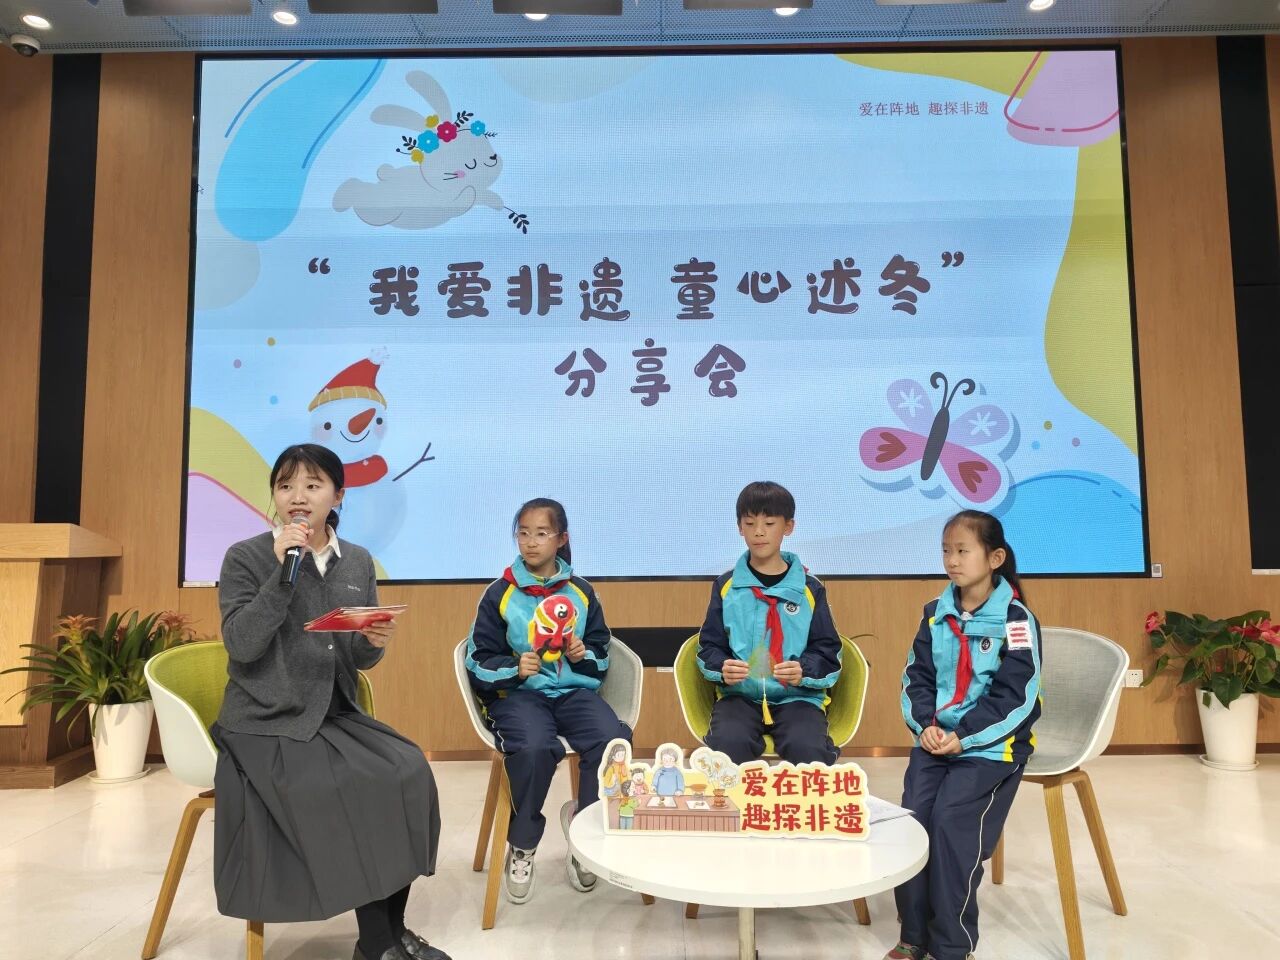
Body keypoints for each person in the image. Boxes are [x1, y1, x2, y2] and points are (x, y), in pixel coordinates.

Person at [211, 443, 447, 960]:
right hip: (264, 721)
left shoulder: (356, 560)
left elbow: (355, 658)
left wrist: (372, 641)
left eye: (313, 485)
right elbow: (242, 645)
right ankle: (379, 945)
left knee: (407, 769)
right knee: (351, 784)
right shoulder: (246, 557)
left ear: (338, 495)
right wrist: (282, 575)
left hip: (333, 713)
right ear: (274, 496)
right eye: (286, 486)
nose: (297, 497)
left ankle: (391, 931)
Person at [884, 510, 1042, 960]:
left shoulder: (1016, 620)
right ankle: (913, 936)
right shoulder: (934, 614)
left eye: (962, 550)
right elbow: (916, 678)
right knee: (913, 820)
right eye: (946, 551)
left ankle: (953, 947)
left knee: (952, 824)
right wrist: (927, 727)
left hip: (991, 747)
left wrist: (965, 736)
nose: (952, 560)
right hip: (936, 741)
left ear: (995, 558)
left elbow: (1018, 695)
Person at [465, 497, 632, 904]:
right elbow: (478, 659)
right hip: (519, 697)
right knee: (535, 747)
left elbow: (603, 654)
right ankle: (523, 845)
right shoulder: (500, 593)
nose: (530, 542)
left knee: (611, 740)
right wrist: (514, 667)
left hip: (573, 693)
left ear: (561, 539)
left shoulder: (582, 592)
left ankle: (584, 832)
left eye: (541, 533)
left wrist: (582, 655)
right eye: (523, 533)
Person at [696, 481, 842, 764]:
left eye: (770, 523)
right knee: (728, 745)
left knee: (807, 749)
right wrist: (723, 668)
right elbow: (708, 647)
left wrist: (803, 670)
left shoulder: (809, 589)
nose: (759, 532)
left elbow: (828, 651)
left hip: (798, 697)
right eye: (750, 523)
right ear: (740, 528)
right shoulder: (726, 587)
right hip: (739, 697)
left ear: (788, 527)